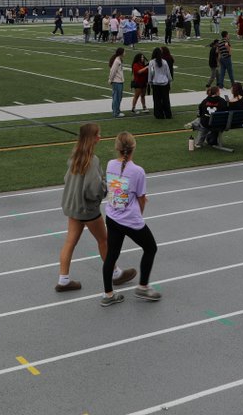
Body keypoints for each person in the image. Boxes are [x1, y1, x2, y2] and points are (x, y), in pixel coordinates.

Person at [56, 123, 137, 293]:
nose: (100, 137)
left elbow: (66, 179)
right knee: (104, 240)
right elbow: (94, 189)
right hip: (87, 209)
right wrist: (105, 189)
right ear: (92, 138)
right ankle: (115, 274)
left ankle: (63, 280)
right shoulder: (92, 161)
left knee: (70, 242)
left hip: (73, 207)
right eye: (98, 134)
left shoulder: (75, 156)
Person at [100, 131, 161, 306]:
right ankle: (143, 287)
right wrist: (138, 214)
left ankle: (108, 295)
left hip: (112, 217)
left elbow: (117, 189)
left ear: (117, 148)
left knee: (111, 255)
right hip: (130, 220)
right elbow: (141, 198)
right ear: (133, 148)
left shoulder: (110, 164)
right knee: (150, 248)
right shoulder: (138, 171)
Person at [187, 85, 228, 151]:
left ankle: (193, 124)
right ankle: (194, 125)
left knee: (202, 122)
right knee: (203, 122)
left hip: (206, 123)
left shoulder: (205, 101)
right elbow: (226, 110)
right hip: (219, 124)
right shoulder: (222, 101)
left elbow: (200, 112)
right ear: (217, 92)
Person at [147, 48, 173, 119]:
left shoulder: (152, 62)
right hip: (164, 83)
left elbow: (151, 72)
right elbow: (168, 72)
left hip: (156, 83)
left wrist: (150, 81)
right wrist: (170, 80)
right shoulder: (164, 62)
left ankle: (159, 114)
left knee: (157, 100)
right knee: (166, 99)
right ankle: (168, 114)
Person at [108, 48, 126, 118]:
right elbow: (113, 71)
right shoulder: (117, 61)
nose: (125, 53)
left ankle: (117, 111)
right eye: (124, 52)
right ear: (121, 53)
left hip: (119, 81)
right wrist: (110, 80)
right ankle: (116, 113)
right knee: (117, 98)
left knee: (118, 97)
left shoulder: (119, 60)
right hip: (116, 81)